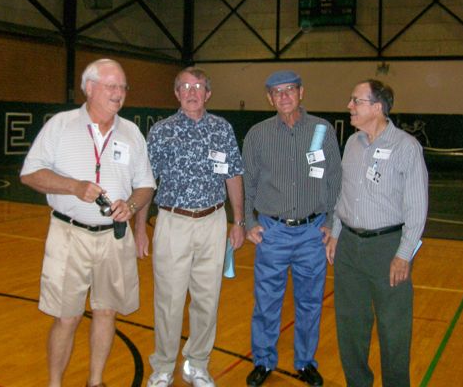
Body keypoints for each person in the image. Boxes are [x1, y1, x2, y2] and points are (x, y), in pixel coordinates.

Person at [20, 58, 156, 387]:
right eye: (112, 86)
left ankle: (95, 382)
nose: (119, 93)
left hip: (114, 238)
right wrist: (74, 186)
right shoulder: (61, 126)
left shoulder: (131, 132)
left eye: (123, 87)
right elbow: (30, 174)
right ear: (90, 88)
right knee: (67, 316)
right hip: (69, 235)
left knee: (107, 311)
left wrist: (132, 205)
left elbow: (146, 185)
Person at [135, 67, 245, 387]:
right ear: (177, 93)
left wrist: (237, 221)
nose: (192, 91)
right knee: (168, 300)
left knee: (207, 299)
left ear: (208, 94)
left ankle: (197, 363)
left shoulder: (222, 129)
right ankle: (164, 366)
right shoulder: (161, 131)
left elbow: (233, 175)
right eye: (185, 86)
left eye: (198, 86)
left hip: (213, 222)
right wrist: (141, 229)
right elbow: (146, 183)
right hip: (172, 221)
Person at [326, 79, 428, 387]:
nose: (349, 106)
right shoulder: (353, 145)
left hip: (387, 248)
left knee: (393, 329)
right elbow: (343, 195)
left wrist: (404, 254)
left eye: (356, 101)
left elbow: (417, 207)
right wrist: (334, 233)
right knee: (350, 325)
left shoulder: (406, 147)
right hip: (348, 248)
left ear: (377, 107)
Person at [242, 70, 342, 387]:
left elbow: (335, 180)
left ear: (301, 92)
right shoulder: (257, 134)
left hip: (313, 233)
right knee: (267, 302)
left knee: (310, 303)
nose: (284, 96)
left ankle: (305, 361)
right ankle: (263, 360)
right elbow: (248, 183)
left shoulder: (322, 130)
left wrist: (330, 224)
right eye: (277, 91)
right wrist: (249, 222)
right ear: (269, 98)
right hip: (273, 232)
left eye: (290, 90)